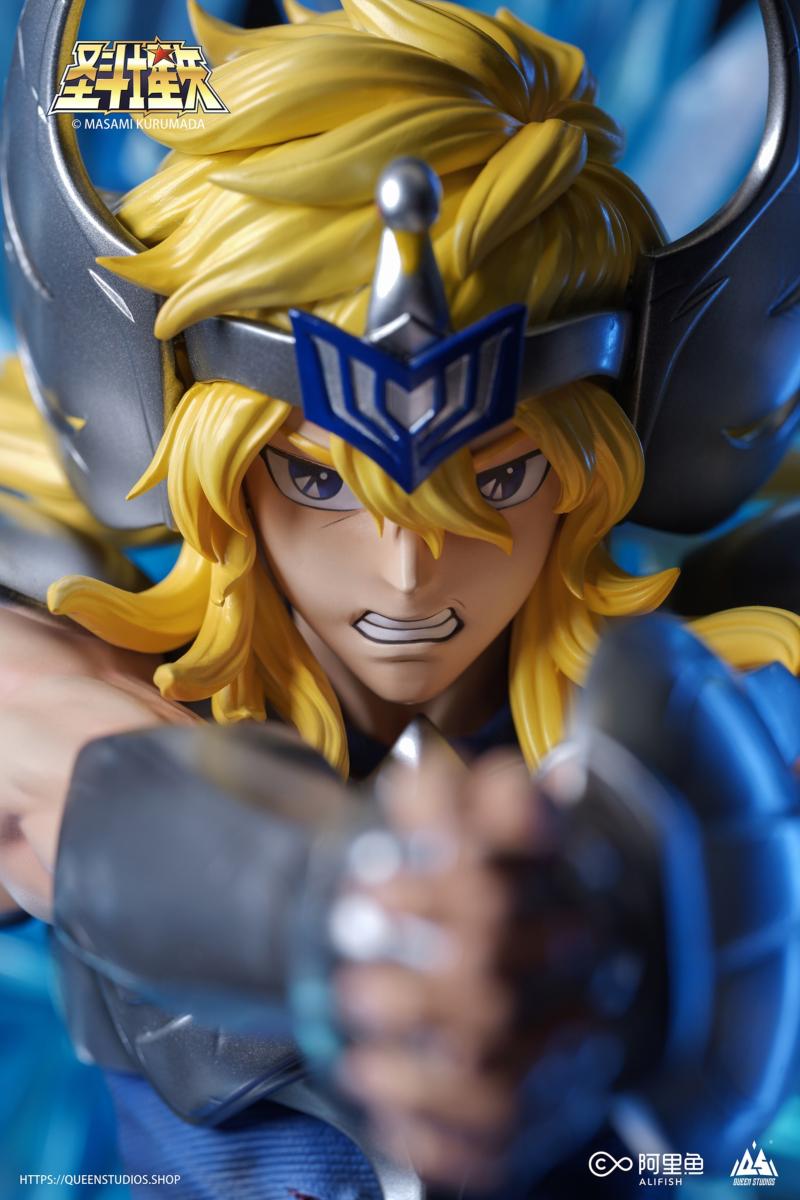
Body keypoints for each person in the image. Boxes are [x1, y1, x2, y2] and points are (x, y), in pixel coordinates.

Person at [1, 0, 798, 1195]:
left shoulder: (720, 678)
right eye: (318, 479)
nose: (406, 569)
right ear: (195, 446)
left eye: (501, 477)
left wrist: (638, 888)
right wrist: (340, 907)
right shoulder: (98, 650)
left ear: (600, 454)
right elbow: (34, 746)